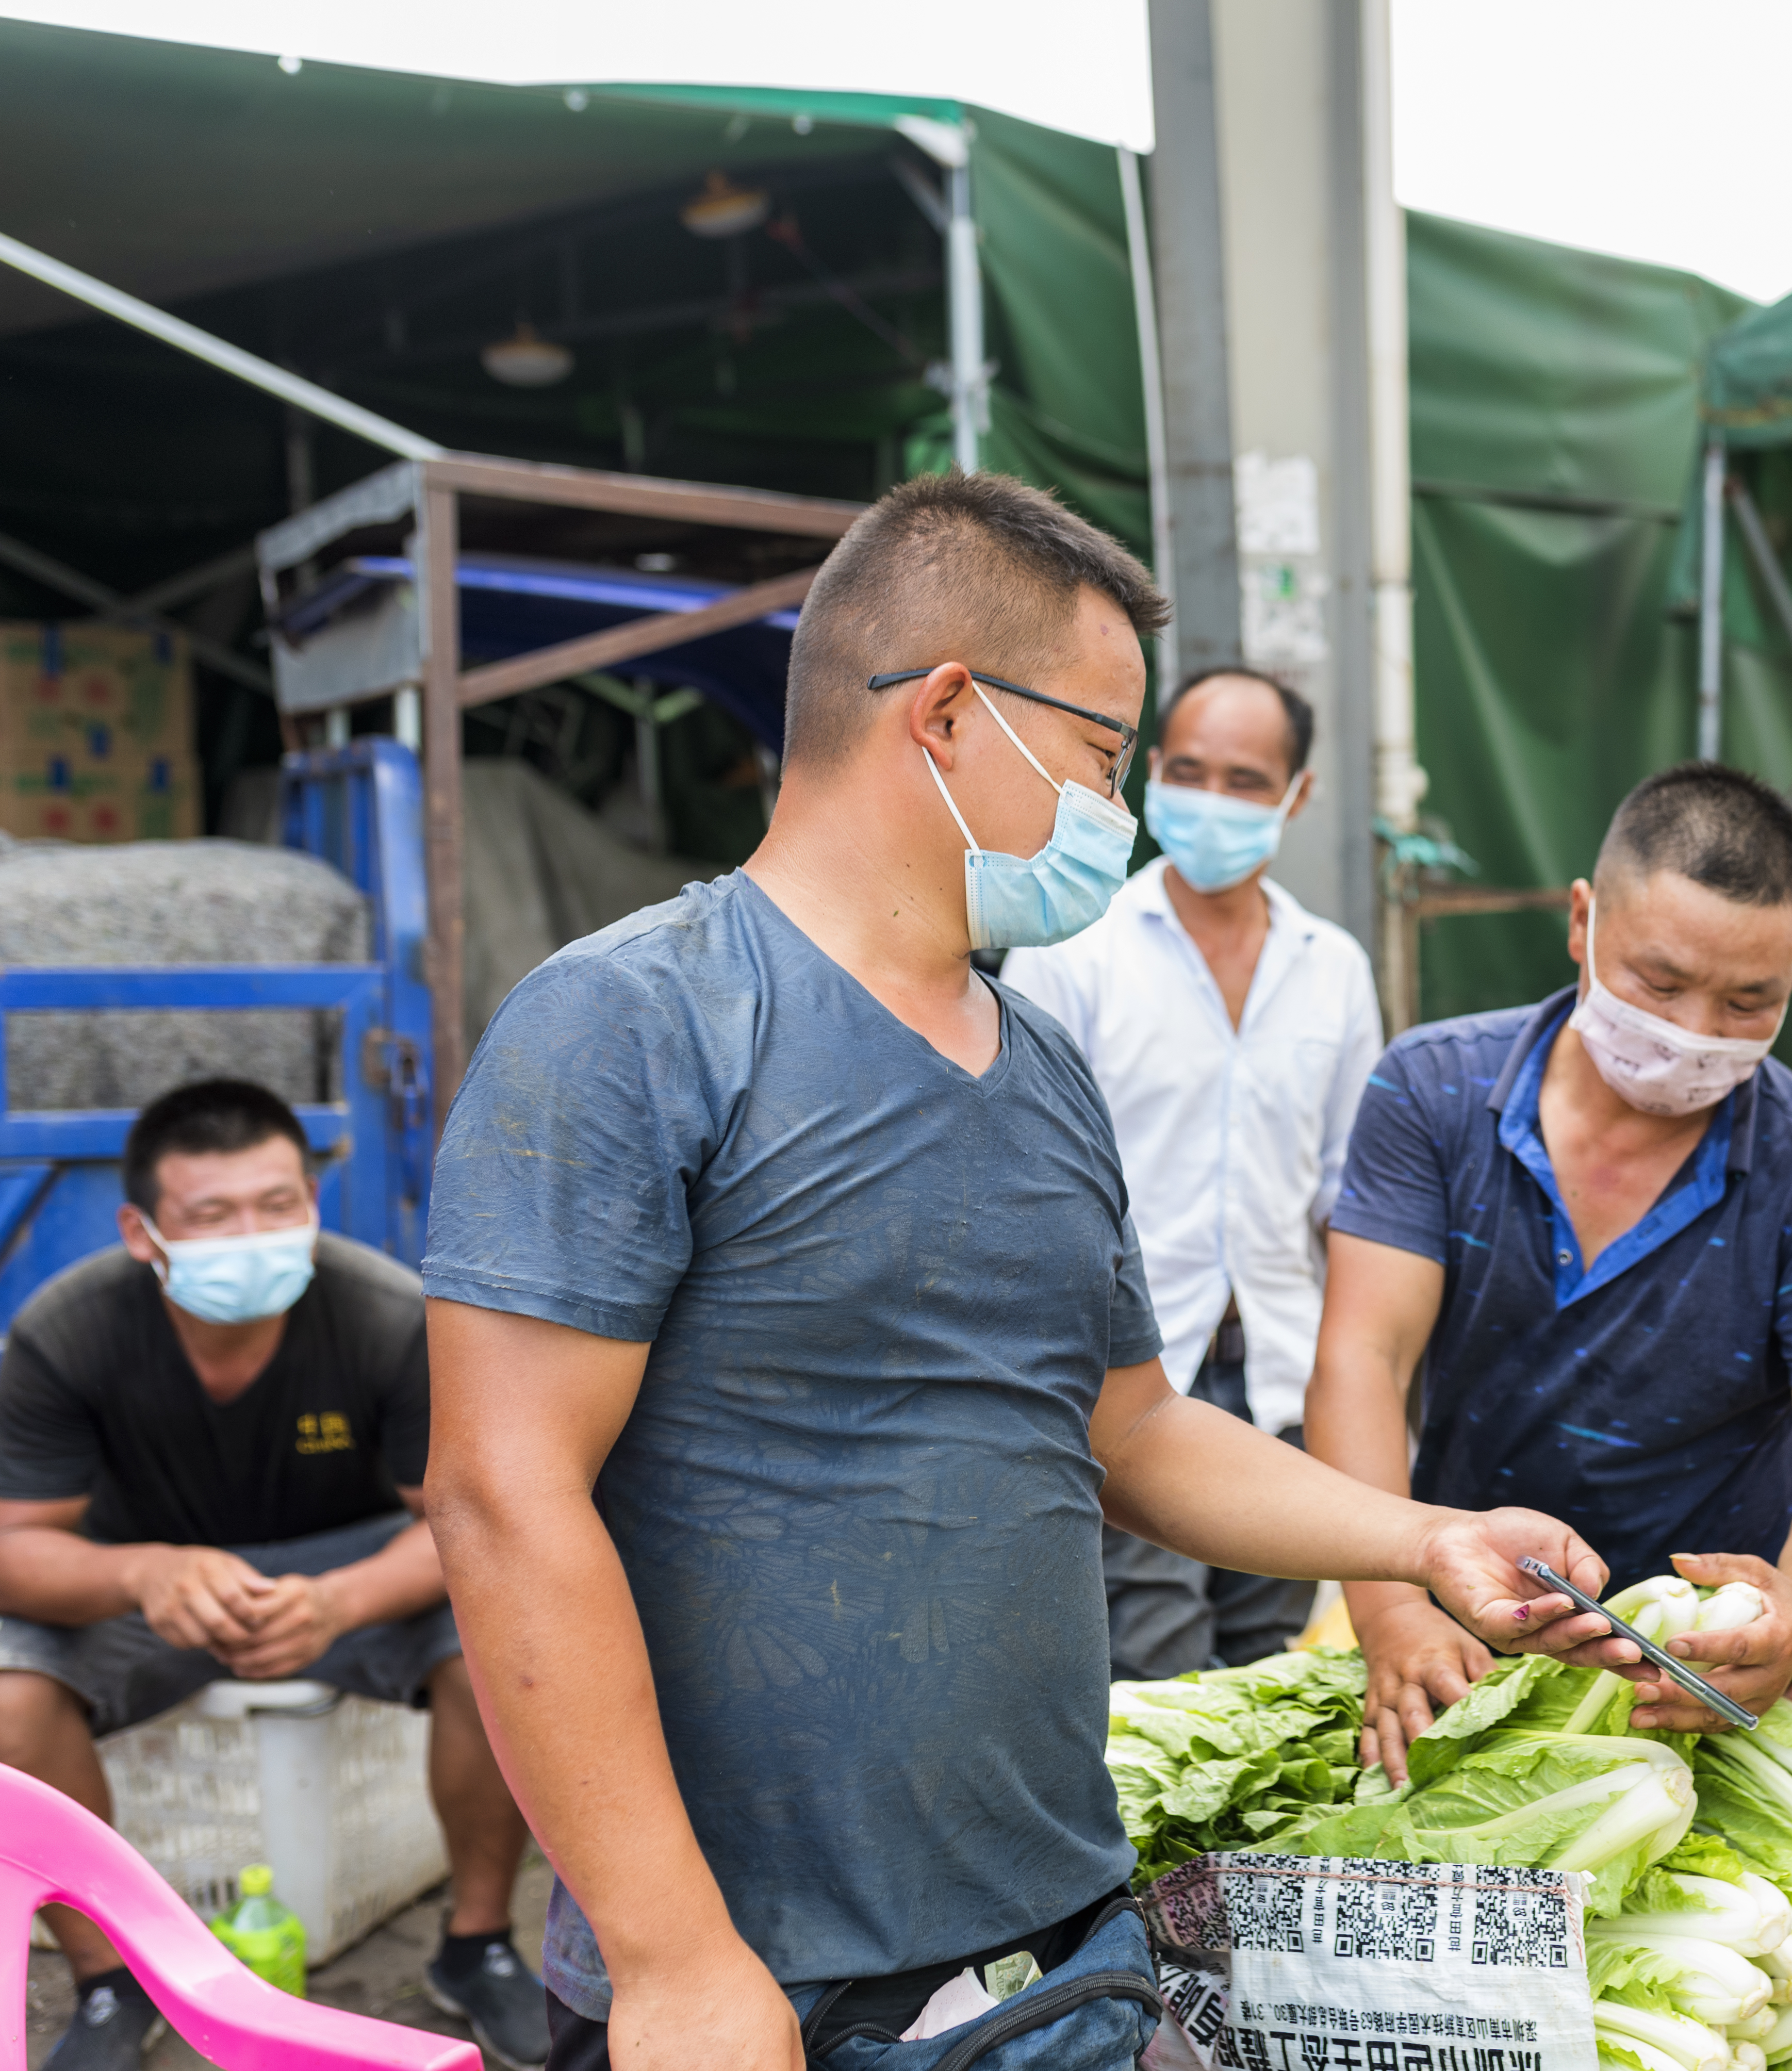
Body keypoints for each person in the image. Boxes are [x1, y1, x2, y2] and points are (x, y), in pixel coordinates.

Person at [417, 473, 1614, 2071]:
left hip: (1059, 1951)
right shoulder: (634, 1021)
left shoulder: (1044, 1065)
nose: (1119, 811)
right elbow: (503, 1492)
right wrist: (675, 1954)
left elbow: (1129, 1432)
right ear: (952, 714)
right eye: (1108, 756)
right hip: (768, 1990)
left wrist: (1425, 1540)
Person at [1309, 762, 1792, 1777]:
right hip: (1462, 1628)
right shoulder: (1434, 1090)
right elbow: (1361, 1360)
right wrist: (1389, 1614)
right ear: (1581, 922)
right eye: (1658, 982)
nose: (1690, 1031)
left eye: (1744, 1001)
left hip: (1697, 1675)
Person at [0, 1080, 544, 2071]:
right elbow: (13, 1544)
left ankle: (478, 1944)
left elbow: (463, 1522)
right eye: (211, 1215)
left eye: (278, 1205)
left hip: (352, 1566)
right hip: (144, 1582)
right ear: (142, 1230)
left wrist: (343, 1599)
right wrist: (141, 1574)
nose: (251, 1235)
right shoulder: (65, 1330)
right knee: (12, 1695)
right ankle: (112, 1975)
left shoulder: (385, 1314)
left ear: (312, 1202)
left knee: (502, 1646)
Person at [1002, 665, 1382, 1676]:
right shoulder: (1071, 945)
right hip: (1125, 1385)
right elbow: (1024, 1188)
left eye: (1247, 780)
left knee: (1276, 1677)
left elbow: (1352, 1201)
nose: (1212, 800)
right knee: (1154, 1674)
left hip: (1279, 1380)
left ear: (1296, 797)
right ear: (1152, 771)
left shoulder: (1333, 966)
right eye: (1190, 770)